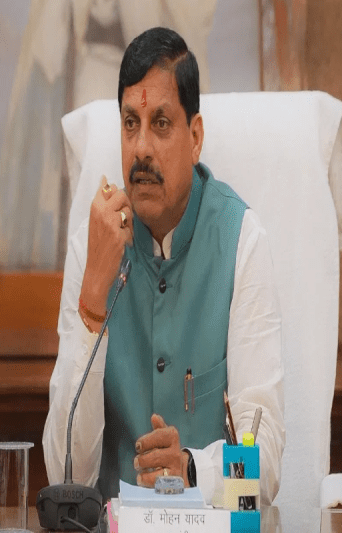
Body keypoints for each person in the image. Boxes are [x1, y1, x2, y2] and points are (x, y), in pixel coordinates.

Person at [42, 27, 285, 506]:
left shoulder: (242, 241)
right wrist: (93, 300)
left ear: (195, 138)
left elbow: (267, 464)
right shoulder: (93, 246)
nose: (141, 149)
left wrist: (193, 469)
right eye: (130, 123)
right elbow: (67, 474)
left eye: (160, 123)